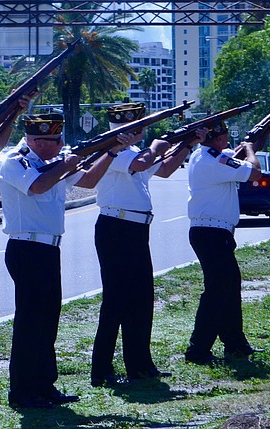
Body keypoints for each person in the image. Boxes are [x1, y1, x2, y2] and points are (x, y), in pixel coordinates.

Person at [0, 112, 129, 409]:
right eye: (55, 140)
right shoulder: (16, 161)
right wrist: (66, 164)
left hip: (48, 249)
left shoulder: (52, 162)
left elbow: (89, 181)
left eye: (60, 139)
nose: (60, 144)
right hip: (26, 247)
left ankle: (45, 385)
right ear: (37, 140)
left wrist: (110, 152)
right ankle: (22, 390)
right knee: (30, 323)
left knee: (48, 321)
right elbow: (38, 186)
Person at [90, 103, 208, 387]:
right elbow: (144, 163)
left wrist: (189, 143)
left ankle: (140, 364)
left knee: (141, 299)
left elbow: (164, 169)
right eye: (137, 125)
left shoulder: (133, 152)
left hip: (136, 229)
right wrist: (156, 146)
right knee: (115, 300)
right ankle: (101, 369)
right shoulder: (113, 151)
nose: (140, 130)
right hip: (116, 227)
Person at [184, 121, 267, 365]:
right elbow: (254, 171)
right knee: (218, 291)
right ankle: (198, 349)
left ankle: (235, 344)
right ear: (219, 139)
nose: (228, 142)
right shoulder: (214, 161)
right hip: (211, 233)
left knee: (227, 288)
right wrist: (251, 148)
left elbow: (240, 155)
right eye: (226, 137)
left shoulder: (208, 156)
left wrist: (263, 134)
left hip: (212, 231)